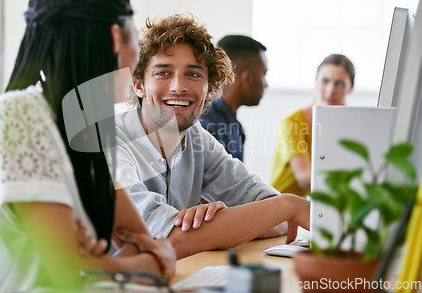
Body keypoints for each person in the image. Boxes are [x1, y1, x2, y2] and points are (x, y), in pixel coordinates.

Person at [0, 0, 176, 293]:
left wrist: (106, 264)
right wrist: (142, 264)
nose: (138, 55)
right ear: (115, 37)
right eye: (136, 38)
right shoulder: (20, 118)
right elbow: (73, 274)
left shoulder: (86, 125)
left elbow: (136, 239)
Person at [115, 14, 310, 260]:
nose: (178, 86)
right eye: (163, 73)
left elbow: (272, 211)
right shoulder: (109, 144)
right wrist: (288, 206)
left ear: (211, 89)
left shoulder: (198, 139)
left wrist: (225, 223)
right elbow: (165, 240)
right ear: (138, 84)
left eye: (194, 75)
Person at [271, 54, 355, 196]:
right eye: (325, 81)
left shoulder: (352, 125)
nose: (330, 90)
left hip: (324, 204)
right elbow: (304, 178)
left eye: (339, 84)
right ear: (316, 82)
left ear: (350, 87)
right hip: (282, 206)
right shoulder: (293, 122)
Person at [199, 35, 268, 161]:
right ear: (247, 78)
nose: (266, 84)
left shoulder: (234, 126)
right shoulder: (205, 126)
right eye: (263, 75)